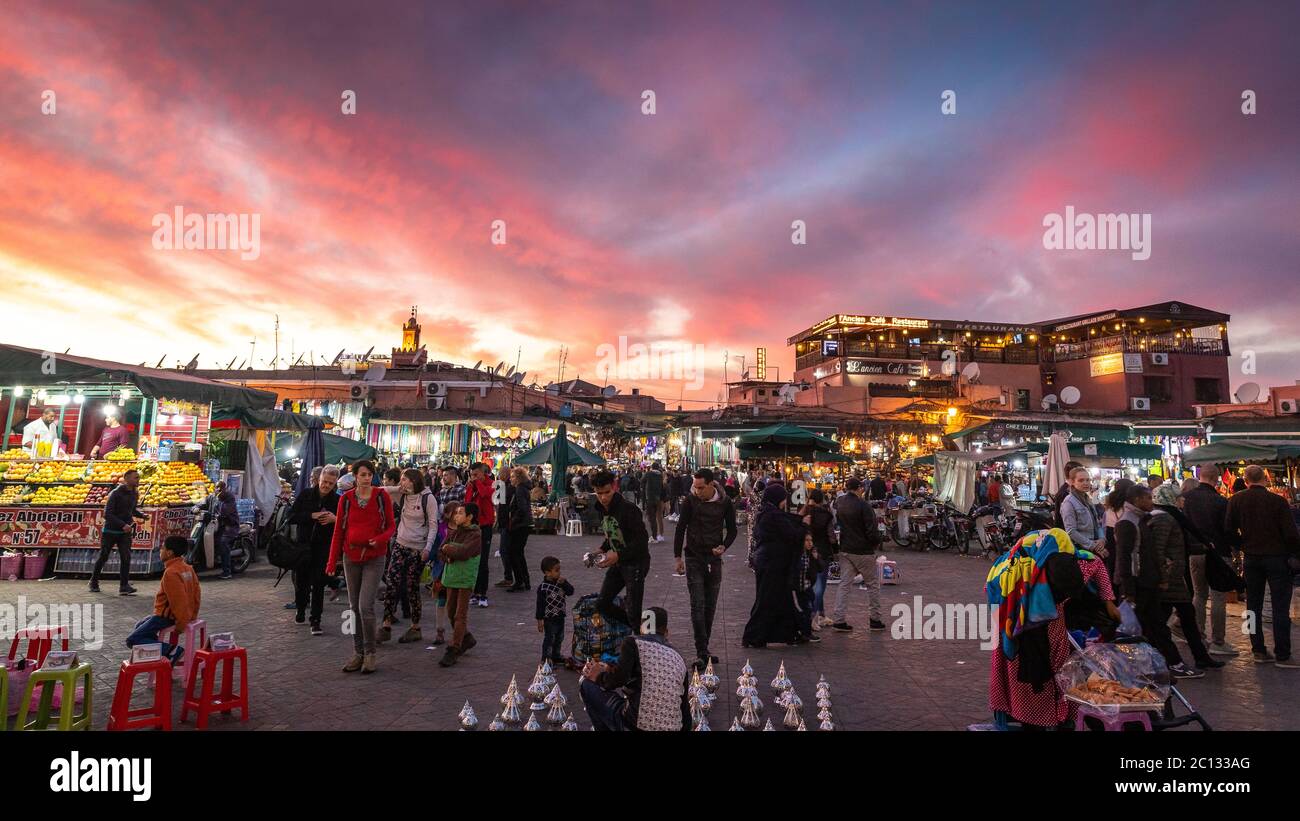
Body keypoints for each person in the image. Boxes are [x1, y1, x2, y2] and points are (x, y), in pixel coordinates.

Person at [986, 528, 1118, 729]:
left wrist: (1109, 600)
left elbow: (1096, 563)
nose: (1062, 596)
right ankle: (1042, 717)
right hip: (1019, 630)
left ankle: (1043, 716)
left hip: (1016, 629)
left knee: (1039, 674)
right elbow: (1096, 563)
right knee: (1039, 675)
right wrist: (1108, 601)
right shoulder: (1021, 570)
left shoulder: (1067, 561)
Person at [1225, 464, 1300, 667]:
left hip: (1251, 558)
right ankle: (1283, 653)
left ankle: (1257, 649)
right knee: (1280, 607)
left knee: (1252, 606)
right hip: (1277, 557)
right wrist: (1294, 554)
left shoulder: (1236, 500)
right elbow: (1291, 533)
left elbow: (1228, 529)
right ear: (1264, 479)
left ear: (1246, 479)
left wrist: (1243, 545)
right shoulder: (1277, 501)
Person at [327, 460, 395, 674]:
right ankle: (358, 652)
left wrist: (380, 538)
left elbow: (392, 525)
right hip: (351, 556)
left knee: (366, 606)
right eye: (362, 474)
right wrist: (331, 561)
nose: (366, 478)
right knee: (353, 607)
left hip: (374, 557)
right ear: (354, 476)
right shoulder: (346, 499)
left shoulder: (382, 497)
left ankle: (370, 653)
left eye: (369, 474)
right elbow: (338, 531)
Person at [578, 606, 691, 731]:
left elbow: (617, 680)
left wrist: (599, 676)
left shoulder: (633, 642)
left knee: (586, 683)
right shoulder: (679, 658)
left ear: (642, 630)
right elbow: (684, 709)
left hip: (635, 725)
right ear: (666, 632)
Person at [672, 468, 737, 667]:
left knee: (710, 606)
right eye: (695, 487)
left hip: (714, 559)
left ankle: (704, 648)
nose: (697, 491)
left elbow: (732, 530)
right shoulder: (690, 501)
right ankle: (701, 650)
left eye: (701, 488)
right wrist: (677, 557)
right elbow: (681, 527)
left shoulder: (725, 502)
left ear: (711, 485)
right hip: (693, 557)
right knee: (697, 605)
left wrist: (723, 546)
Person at [1181, 469, 1237, 657]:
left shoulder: (1186, 499)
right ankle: (1218, 642)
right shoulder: (1221, 501)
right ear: (1216, 479)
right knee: (1218, 596)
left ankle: (1198, 637)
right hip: (1219, 553)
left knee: (1199, 595)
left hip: (1195, 552)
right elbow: (1228, 529)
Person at [741, 483, 803, 648]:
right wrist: (803, 524)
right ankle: (754, 635)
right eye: (783, 499)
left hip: (770, 562)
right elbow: (792, 534)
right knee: (767, 599)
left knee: (780, 599)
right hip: (772, 563)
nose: (785, 502)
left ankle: (789, 633)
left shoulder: (767, 513)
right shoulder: (773, 515)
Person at [380, 469, 438, 645]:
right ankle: (386, 624)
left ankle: (415, 626)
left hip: (418, 548)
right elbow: (382, 490)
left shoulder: (429, 498)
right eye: (401, 480)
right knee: (392, 581)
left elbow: (434, 525)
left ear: (414, 481)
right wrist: (398, 489)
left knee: (412, 586)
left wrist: (427, 548)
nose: (402, 483)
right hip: (400, 543)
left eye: (405, 480)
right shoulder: (402, 495)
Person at [125, 536, 201, 664]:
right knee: (140, 625)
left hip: (166, 617)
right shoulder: (188, 568)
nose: (160, 551)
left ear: (170, 553)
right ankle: (158, 656)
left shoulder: (171, 572)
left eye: (162, 548)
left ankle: (171, 651)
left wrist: (181, 624)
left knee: (132, 640)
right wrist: (192, 615)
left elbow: (179, 601)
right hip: (169, 615)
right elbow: (196, 595)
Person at [591, 469, 652, 630]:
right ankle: (637, 630)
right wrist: (601, 550)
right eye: (599, 493)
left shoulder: (628, 509)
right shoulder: (600, 508)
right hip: (618, 563)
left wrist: (617, 555)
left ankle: (638, 639)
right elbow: (611, 533)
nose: (603, 497)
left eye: (607, 492)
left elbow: (641, 541)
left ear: (615, 487)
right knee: (602, 603)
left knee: (634, 609)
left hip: (636, 563)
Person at [288, 465, 341, 634]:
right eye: (324, 482)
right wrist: (312, 516)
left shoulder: (337, 501)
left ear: (335, 484)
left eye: (330, 483)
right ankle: (301, 608)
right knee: (301, 582)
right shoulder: (306, 495)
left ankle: (316, 620)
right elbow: (291, 516)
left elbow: (345, 523)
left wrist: (335, 519)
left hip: (323, 547)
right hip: (303, 546)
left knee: (319, 584)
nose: (326, 485)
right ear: (319, 480)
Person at [829, 478, 884, 632]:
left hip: (846, 548)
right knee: (872, 585)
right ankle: (875, 619)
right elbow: (871, 530)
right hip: (863, 551)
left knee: (844, 584)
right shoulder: (863, 505)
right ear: (859, 488)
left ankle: (839, 619)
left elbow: (837, 521)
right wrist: (874, 544)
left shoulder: (840, 502)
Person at [437, 501, 482, 667]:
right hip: (451, 578)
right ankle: (466, 638)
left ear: (469, 517)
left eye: (460, 513)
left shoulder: (475, 534)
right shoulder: (453, 532)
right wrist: (449, 550)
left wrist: (450, 549)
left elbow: (464, 552)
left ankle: (454, 648)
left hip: (465, 579)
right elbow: (441, 551)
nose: (456, 516)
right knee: (450, 612)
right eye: (456, 513)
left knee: (460, 615)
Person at [89, 468, 147, 595]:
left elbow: (131, 510)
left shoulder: (135, 493)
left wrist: (141, 515)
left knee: (126, 558)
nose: (138, 480)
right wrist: (123, 525)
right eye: (135, 477)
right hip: (110, 530)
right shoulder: (115, 493)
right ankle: (93, 582)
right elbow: (107, 514)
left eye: (138, 477)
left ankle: (124, 586)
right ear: (126, 479)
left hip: (125, 531)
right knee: (104, 556)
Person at [801, 489, 836, 631]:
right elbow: (831, 536)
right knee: (819, 586)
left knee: (813, 585)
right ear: (821, 499)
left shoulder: (803, 512)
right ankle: (812, 616)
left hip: (807, 551)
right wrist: (836, 549)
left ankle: (821, 615)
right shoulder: (826, 514)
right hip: (823, 552)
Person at [464, 463, 497, 607]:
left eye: (476, 474)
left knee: (483, 561)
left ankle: (483, 593)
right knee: (473, 560)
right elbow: (467, 502)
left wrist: (476, 483)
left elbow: (485, 494)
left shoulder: (494, 484)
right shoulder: (472, 485)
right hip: (472, 526)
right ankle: (474, 592)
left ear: (484, 474)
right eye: (472, 475)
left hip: (485, 526)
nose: (473, 477)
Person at [1059, 467, 1107, 563]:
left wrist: (1102, 539)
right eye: (1081, 480)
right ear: (1072, 482)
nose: (1086, 483)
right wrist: (1093, 546)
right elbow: (1071, 531)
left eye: (1088, 480)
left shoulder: (1087, 499)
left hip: (1095, 544)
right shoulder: (1068, 502)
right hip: (1081, 550)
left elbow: (1097, 523)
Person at [536, 555, 575, 668]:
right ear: (547, 573)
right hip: (549, 618)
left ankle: (556, 655)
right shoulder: (543, 588)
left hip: (560, 616)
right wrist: (540, 620)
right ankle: (546, 659)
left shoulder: (561, 583)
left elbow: (570, 591)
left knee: (559, 637)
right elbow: (540, 605)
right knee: (550, 638)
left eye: (559, 570)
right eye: (556, 570)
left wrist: (565, 583)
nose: (559, 573)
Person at [505, 467, 534, 592]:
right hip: (524, 524)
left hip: (520, 525)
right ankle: (524, 580)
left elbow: (522, 509)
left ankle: (520, 580)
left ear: (518, 478)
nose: (511, 479)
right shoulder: (522, 488)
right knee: (518, 553)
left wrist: (513, 521)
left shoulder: (520, 489)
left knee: (513, 553)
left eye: (512, 477)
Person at [794, 530, 826, 643]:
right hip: (797, 588)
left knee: (808, 610)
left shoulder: (812, 554)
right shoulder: (797, 555)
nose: (809, 543)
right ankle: (802, 633)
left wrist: (816, 558)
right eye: (806, 540)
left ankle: (806, 633)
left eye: (811, 540)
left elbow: (821, 568)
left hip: (807, 587)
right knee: (801, 610)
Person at [211, 481, 239, 580]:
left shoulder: (229, 497)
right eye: (216, 487)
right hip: (219, 525)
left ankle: (227, 572)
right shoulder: (214, 497)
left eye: (220, 487)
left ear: (224, 488)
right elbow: (204, 502)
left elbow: (226, 511)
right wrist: (196, 507)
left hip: (230, 525)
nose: (217, 489)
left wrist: (219, 514)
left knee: (223, 543)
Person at [1051, 461, 1083, 527]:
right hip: (1065, 534)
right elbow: (1067, 522)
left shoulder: (1071, 490)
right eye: (1081, 471)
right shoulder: (1065, 493)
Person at [643, 461, 666, 543]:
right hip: (658, 498)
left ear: (652, 467)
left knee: (652, 518)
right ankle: (660, 535)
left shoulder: (648, 474)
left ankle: (654, 536)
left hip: (650, 498)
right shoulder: (660, 475)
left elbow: (642, 481)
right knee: (659, 517)